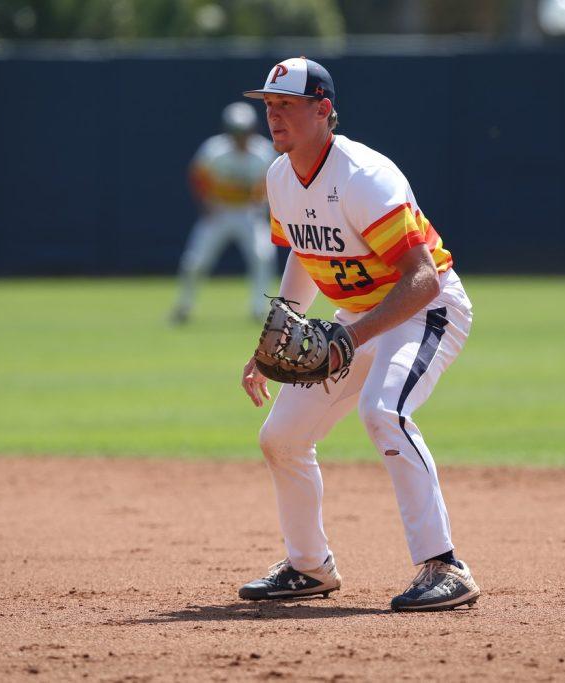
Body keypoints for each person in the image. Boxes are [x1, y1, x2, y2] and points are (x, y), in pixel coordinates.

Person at [237, 57, 480, 612]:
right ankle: (307, 567)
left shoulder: (364, 176)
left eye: (288, 106)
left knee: (383, 411)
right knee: (282, 437)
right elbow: (306, 251)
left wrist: (350, 338)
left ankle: (445, 565)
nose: (274, 118)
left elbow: (420, 281)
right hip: (360, 319)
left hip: (426, 309)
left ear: (323, 110)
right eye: (269, 107)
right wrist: (275, 337)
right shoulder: (279, 176)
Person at [170, 102, 277, 324]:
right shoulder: (214, 150)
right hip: (219, 211)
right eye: (236, 131)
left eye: (244, 131)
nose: (240, 137)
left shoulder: (263, 152)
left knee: (263, 256)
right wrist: (205, 204)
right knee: (194, 262)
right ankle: (184, 306)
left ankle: (259, 309)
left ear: (252, 130)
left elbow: (272, 182)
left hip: (248, 212)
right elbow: (197, 175)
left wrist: (263, 203)